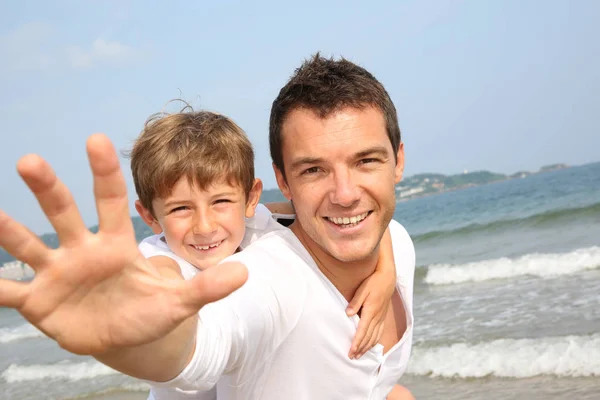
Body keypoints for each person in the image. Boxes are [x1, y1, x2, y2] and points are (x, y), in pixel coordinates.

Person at [0, 54, 415, 399]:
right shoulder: (260, 278)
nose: (344, 194)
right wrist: (134, 337)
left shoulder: (392, 240)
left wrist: (386, 267)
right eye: (313, 170)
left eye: (366, 161)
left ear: (398, 161)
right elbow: (201, 346)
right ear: (284, 180)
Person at [127, 107, 399, 399]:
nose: (205, 226)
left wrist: (386, 271)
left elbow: (348, 215)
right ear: (150, 217)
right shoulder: (161, 255)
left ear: (250, 199)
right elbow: (161, 280)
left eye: (221, 201)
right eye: (181, 208)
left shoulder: (253, 223)